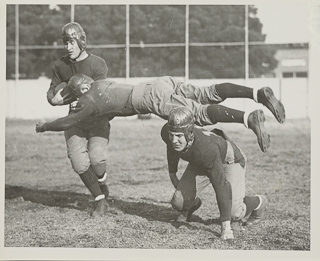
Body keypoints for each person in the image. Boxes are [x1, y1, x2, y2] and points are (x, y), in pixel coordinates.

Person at [36, 73, 285, 152]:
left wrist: (45, 126)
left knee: (197, 114)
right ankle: (257, 93)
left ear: (79, 92)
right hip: (159, 82)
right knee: (205, 92)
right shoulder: (99, 84)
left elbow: (68, 121)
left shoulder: (88, 100)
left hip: (150, 98)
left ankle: (247, 119)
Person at [160, 107, 268, 240]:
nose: (174, 140)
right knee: (178, 201)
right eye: (172, 135)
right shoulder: (167, 133)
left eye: (179, 136)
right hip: (201, 161)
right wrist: (172, 173)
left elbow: (221, 185)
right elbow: (171, 148)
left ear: (189, 133)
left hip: (229, 160)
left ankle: (258, 201)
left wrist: (226, 228)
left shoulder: (205, 150)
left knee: (234, 212)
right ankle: (191, 205)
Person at [47, 22, 110, 217]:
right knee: (78, 161)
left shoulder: (97, 63)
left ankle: (101, 182)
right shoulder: (60, 65)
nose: (68, 47)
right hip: (75, 119)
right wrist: (53, 99)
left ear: (82, 41)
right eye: (65, 43)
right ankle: (100, 200)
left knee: (97, 157)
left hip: (97, 118)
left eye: (72, 42)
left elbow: (102, 92)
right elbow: (51, 90)